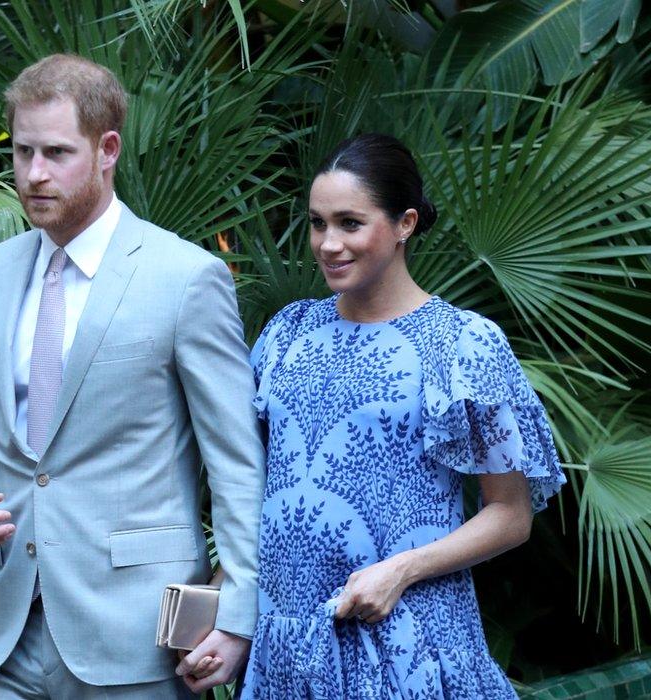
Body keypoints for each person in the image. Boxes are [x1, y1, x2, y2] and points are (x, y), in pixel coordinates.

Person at [0, 53, 265, 699]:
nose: (34, 174)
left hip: (135, 639)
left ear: (107, 149)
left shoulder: (185, 278)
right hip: (1, 634)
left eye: (56, 152)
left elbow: (236, 463)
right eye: (22, 152)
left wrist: (239, 616)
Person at [236, 133, 567, 697]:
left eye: (350, 223)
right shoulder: (286, 333)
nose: (328, 244)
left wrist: (401, 570)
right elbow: (256, 486)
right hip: (287, 647)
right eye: (318, 223)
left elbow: (511, 514)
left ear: (406, 223)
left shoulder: (462, 344)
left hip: (406, 642)